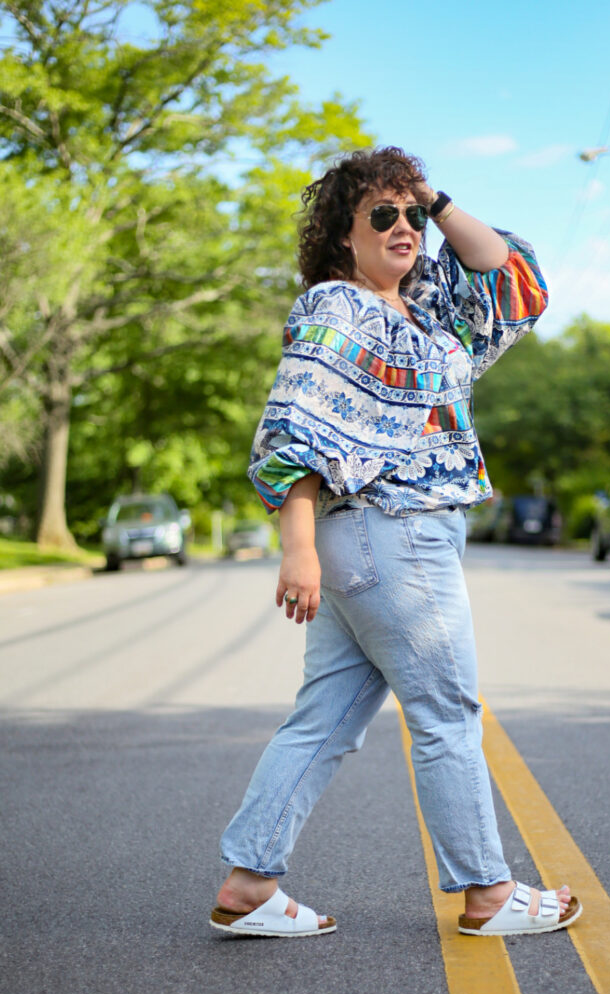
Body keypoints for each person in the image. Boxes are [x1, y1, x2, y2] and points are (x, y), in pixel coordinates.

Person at [210, 146, 582, 939]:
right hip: (394, 535)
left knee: (324, 720)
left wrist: (436, 197)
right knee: (446, 712)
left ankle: (248, 883)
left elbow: (510, 276)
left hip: (378, 547)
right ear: (345, 234)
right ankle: (487, 891)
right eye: (383, 214)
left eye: (411, 213)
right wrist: (297, 548)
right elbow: (294, 436)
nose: (404, 227)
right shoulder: (336, 309)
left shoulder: (426, 308)